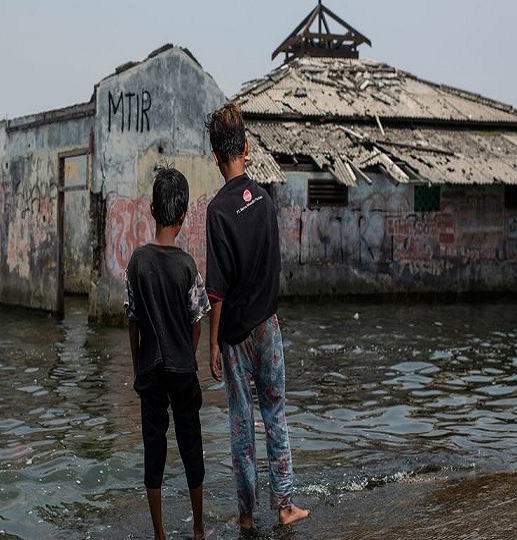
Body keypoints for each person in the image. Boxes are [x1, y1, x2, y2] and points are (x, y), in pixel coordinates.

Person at [204, 103, 309, 529]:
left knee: (241, 421)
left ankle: (246, 515)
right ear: (247, 148)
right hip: (267, 325)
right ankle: (284, 507)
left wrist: (213, 342)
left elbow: (216, 288)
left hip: (233, 335)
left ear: (215, 156)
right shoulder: (264, 201)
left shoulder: (216, 211)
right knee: (275, 413)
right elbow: (273, 267)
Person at [123, 166, 211, 540]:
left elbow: (132, 320)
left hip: (150, 370)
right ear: (183, 215)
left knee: (153, 451)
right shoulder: (187, 265)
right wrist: (188, 355)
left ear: (152, 210)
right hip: (182, 369)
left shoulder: (137, 262)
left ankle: (159, 533)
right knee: (191, 447)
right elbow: (197, 321)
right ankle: (198, 528)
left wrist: (137, 366)